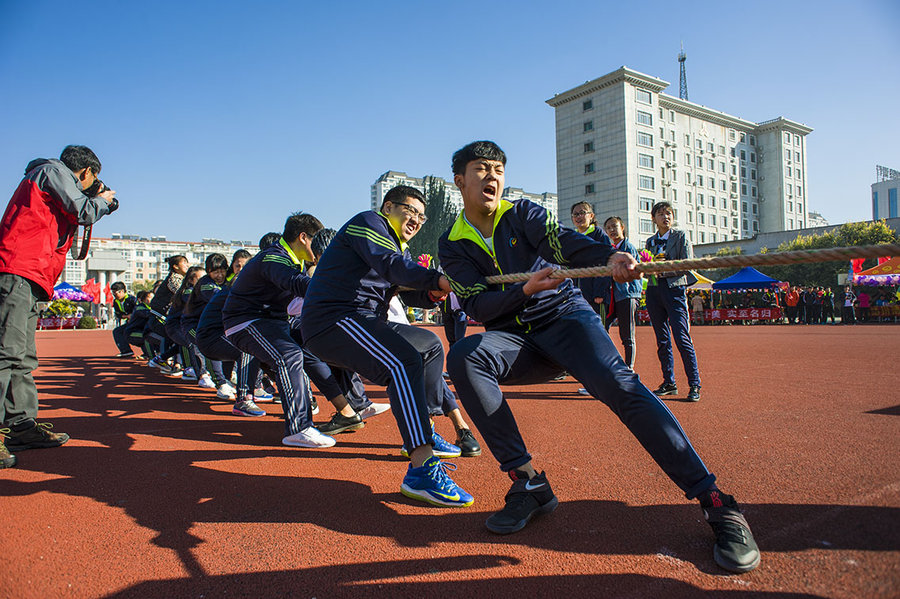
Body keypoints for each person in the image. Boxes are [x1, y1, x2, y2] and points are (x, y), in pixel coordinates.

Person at [440, 141, 759, 573]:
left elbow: (561, 241)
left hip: (566, 320)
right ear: (461, 180)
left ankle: (717, 503)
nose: (492, 177)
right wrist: (523, 290)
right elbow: (477, 307)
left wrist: (609, 256)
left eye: (498, 168)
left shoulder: (523, 213)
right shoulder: (452, 242)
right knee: (464, 356)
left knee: (621, 387)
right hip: (516, 339)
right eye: (481, 169)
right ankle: (528, 482)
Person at [301, 185, 474, 507]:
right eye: (410, 211)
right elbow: (393, 266)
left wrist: (436, 292)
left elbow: (407, 290)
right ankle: (422, 469)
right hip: (333, 319)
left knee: (429, 345)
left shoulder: (399, 249)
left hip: (365, 320)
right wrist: (439, 279)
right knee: (403, 361)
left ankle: (423, 426)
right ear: (388, 207)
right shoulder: (368, 223)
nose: (417, 220)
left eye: (422, 216)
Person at [0, 145, 117, 469]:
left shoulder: (49, 180)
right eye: (93, 179)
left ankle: (20, 426)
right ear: (85, 172)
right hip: (18, 269)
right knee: (6, 354)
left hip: (33, 275)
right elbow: (83, 210)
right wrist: (103, 201)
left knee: (22, 357)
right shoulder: (52, 172)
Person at [223, 212, 327, 447]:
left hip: (271, 322)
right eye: (316, 240)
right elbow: (298, 285)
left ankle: (345, 408)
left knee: (310, 350)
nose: (321, 248)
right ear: (303, 237)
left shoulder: (294, 262)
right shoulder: (275, 258)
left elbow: (295, 303)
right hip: (247, 321)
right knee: (289, 355)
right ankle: (299, 428)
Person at [644, 201, 702, 402]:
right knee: (662, 340)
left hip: (674, 289)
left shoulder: (680, 236)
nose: (665, 217)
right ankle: (669, 382)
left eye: (668, 213)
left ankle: (694, 384)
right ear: (653, 219)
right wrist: (646, 271)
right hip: (653, 291)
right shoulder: (650, 242)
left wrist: (664, 271)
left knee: (681, 337)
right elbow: (647, 267)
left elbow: (687, 264)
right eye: (660, 214)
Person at [570, 202, 611, 323]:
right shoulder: (572, 237)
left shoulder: (598, 234)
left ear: (591, 216)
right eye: (575, 214)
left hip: (595, 294)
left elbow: (605, 262)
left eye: (582, 213)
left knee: (599, 328)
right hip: (577, 294)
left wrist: (600, 291)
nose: (578, 217)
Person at [111, 282, 138, 357]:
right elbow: (118, 314)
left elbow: (138, 310)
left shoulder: (132, 299)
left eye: (115, 292)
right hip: (129, 322)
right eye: (113, 292)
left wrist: (132, 316)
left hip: (137, 322)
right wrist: (126, 316)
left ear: (122, 291)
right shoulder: (116, 302)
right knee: (117, 331)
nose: (114, 294)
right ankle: (126, 350)